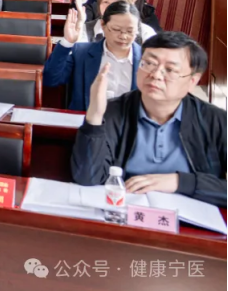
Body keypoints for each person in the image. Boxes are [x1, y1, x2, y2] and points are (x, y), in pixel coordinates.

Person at [72, 31, 226, 208]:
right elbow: (87, 178)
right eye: (149, 64)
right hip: (124, 212)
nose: (156, 74)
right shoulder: (113, 112)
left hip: (193, 219)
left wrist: (180, 182)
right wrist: (94, 117)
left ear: (193, 81)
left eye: (170, 70)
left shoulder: (216, 121)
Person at [44, 0, 143, 112]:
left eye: (130, 31)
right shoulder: (82, 53)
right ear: (103, 25)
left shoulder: (147, 59)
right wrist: (67, 42)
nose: (123, 36)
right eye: (116, 29)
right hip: (86, 120)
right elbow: (50, 79)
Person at [78, 0, 157, 43]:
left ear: (129, 5)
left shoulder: (144, 31)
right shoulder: (85, 29)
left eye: (117, 2)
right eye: (106, 2)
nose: (110, 7)